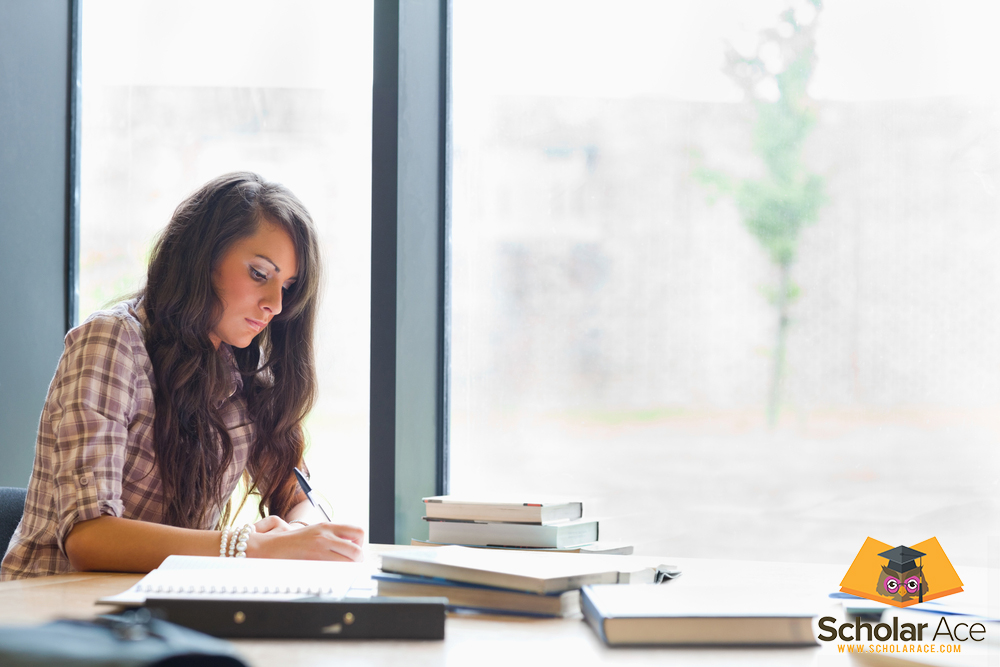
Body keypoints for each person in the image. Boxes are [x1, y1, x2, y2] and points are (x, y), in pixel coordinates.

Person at [1, 172, 364, 580]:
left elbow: (297, 495)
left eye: (288, 287)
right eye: (260, 274)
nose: (275, 305)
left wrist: (298, 534)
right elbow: (88, 538)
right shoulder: (112, 341)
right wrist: (250, 546)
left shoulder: (240, 372)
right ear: (203, 259)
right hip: (53, 619)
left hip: (157, 616)